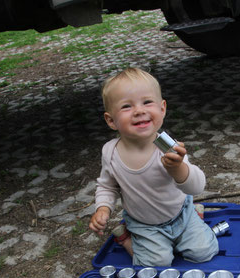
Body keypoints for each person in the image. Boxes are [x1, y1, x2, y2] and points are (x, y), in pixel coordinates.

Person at [88, 67, 219, 267]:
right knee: (155, 265)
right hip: (144, 224)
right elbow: (108, 186)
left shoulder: (166, 146)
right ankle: (125, 239)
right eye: (126, 106)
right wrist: (103, 208)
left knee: (205, 252)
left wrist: (178, 170)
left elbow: (197, 187)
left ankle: (194, 214)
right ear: (111, 120)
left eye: (147, 102)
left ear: (162, 108)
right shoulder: (110, 152)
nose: (139, 111)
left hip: (180, 214)